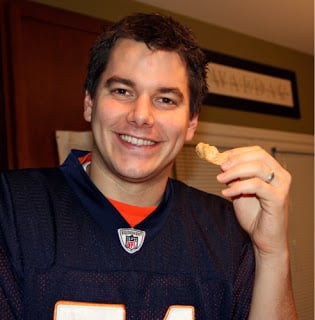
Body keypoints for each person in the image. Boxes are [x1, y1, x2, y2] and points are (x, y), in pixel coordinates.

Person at [0, 12, 297, 320]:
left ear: (192, 123)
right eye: (122, 91)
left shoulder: (228, 230)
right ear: (89, 103)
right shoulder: (11, 210)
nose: (141, 115)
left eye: (166, 99)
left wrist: (272, 252)